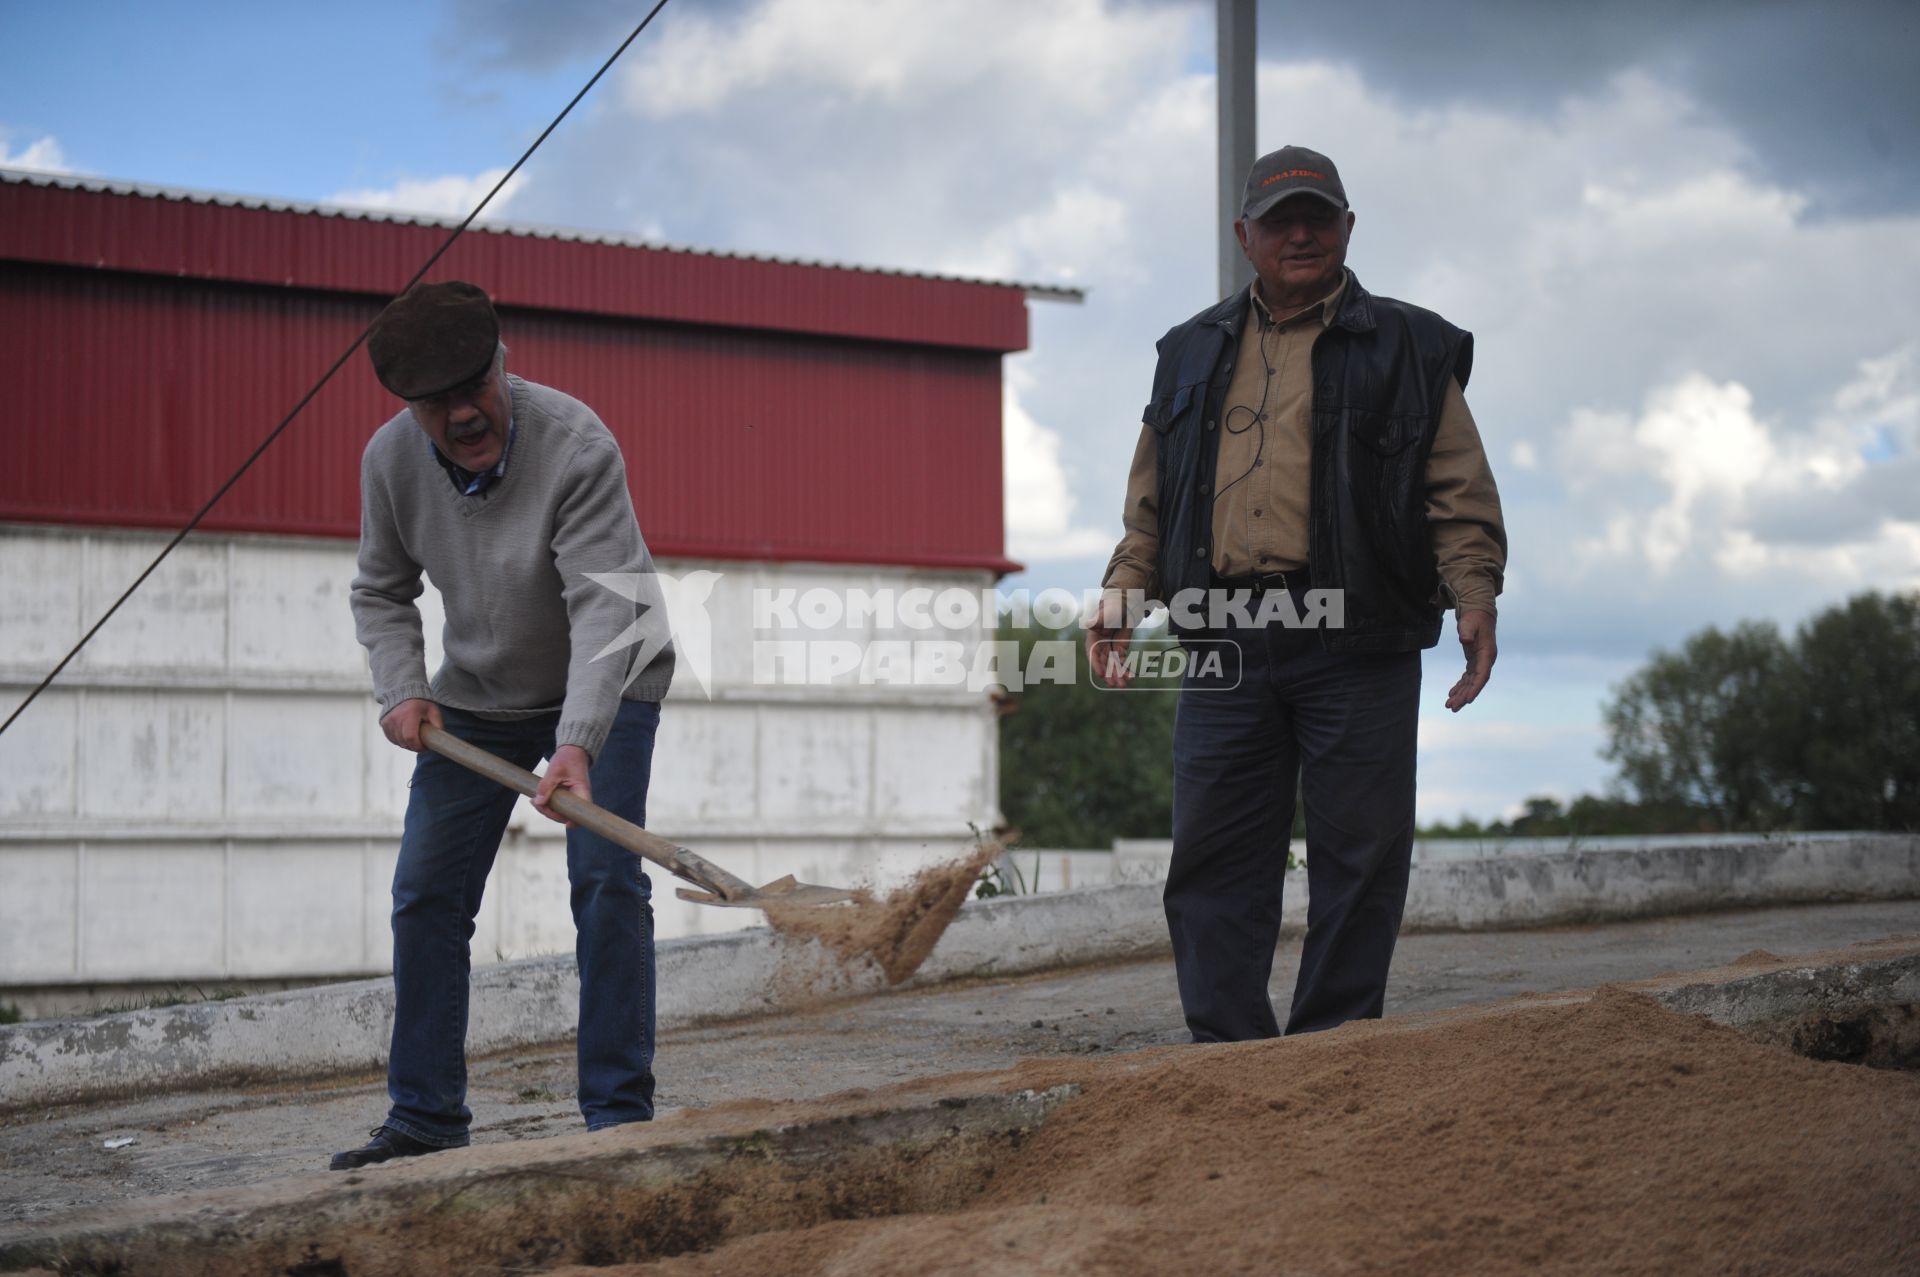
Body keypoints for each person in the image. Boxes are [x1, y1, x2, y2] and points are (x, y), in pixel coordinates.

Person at [1086, 146, 1506, 1042]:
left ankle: (1334, 1053)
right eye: (1282, 221)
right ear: (1247, 236)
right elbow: (1152, 498)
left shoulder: (1411, 344)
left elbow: (1456, 485)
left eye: (1320, 216)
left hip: (1358, 637)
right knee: (1212, 861)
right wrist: (1123, 591)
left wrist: (1475, 592)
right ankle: (1232, 1059)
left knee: (1360, 857)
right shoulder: (1187, 351)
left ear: (1350, 227)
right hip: (1226, 639)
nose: (1302, 233)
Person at [333, 280, 674, 1170]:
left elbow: (607, 614)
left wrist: (579, 740)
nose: (463, 412)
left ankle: (617, 1117)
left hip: (612, 673)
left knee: (605, 879)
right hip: (478, 696)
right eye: (436, 401)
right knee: (426, 892)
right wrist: (401, 687)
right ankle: (425, 1117)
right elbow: (380, 588)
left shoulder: (576, 446)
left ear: (503, 365)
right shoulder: (390, 461)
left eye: (473, 386)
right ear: (412, 407)